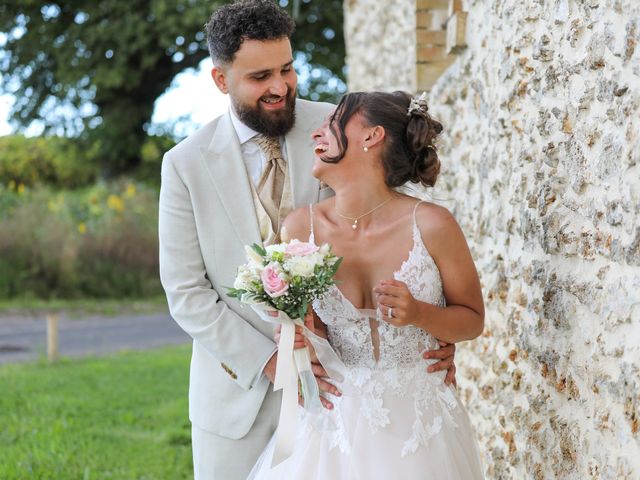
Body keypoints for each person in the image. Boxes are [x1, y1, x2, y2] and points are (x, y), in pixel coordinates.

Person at [159, 1, 457, 478]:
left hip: (349, 400)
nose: (280, 87)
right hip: (238, 404)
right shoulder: (185, 165)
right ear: (221, 80)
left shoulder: (339, 128)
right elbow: (187, 292)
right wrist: (273, 360)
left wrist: (426, 330)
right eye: (260, 77)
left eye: (287, 69)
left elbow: (394, 228)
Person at [248, 91, 485, 479]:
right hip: (331, 427)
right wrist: (301, 334)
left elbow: (473, 320)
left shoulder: (432, 224)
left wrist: (420, 314)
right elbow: (313, 331)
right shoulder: (300, 228)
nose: (317, 133)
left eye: (334, 120)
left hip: (419, 427)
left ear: (371, 137)